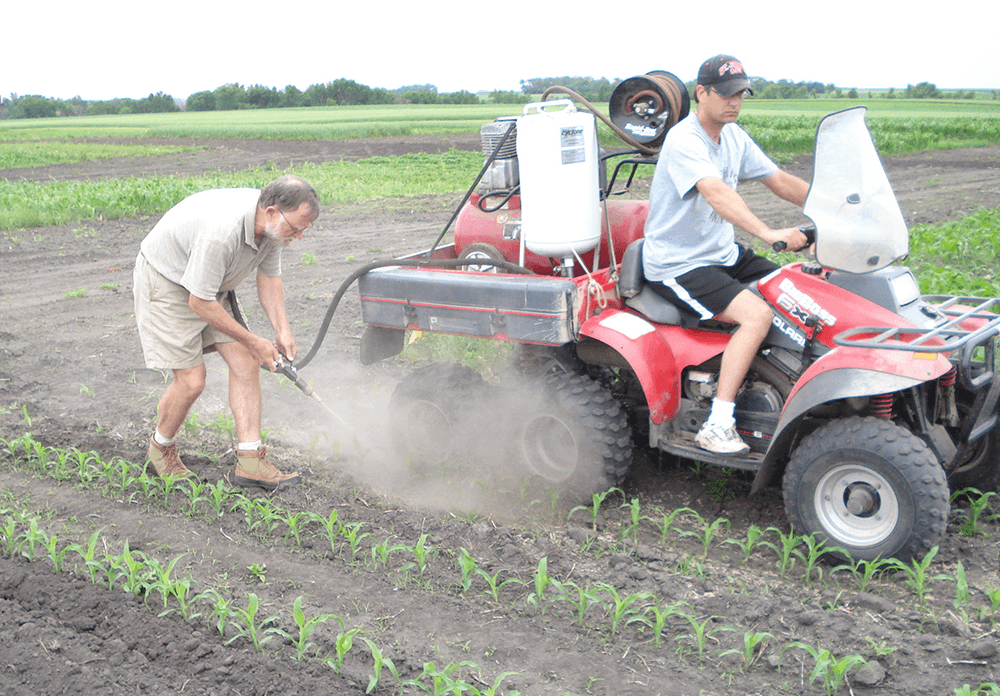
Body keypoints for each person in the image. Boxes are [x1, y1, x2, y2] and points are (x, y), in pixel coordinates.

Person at [642, 55, 810, 456]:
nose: (735, 102)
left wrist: (839, 210)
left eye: (741, 94)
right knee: (757, 315)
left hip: (720, 253)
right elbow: (716, 193)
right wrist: (768, 233)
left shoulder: (733, 136)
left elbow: (781, 181)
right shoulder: (685, 141)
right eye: (727, 94)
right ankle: (718, 423)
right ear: (702, 93)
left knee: (796, 288)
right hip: (678, 264)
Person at [133, 175, 320, 489]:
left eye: (305, 229)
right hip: (167, 283)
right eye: (296, 227)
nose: (299, 236)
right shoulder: (222, 232)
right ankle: (159, 450)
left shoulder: (273, 230)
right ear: (272, 211)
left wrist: (282, 331)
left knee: (246, 362)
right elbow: (199, 301)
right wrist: (254, 341)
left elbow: (270, 279)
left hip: (208, 285)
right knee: (192, 380)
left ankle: (250, 462)